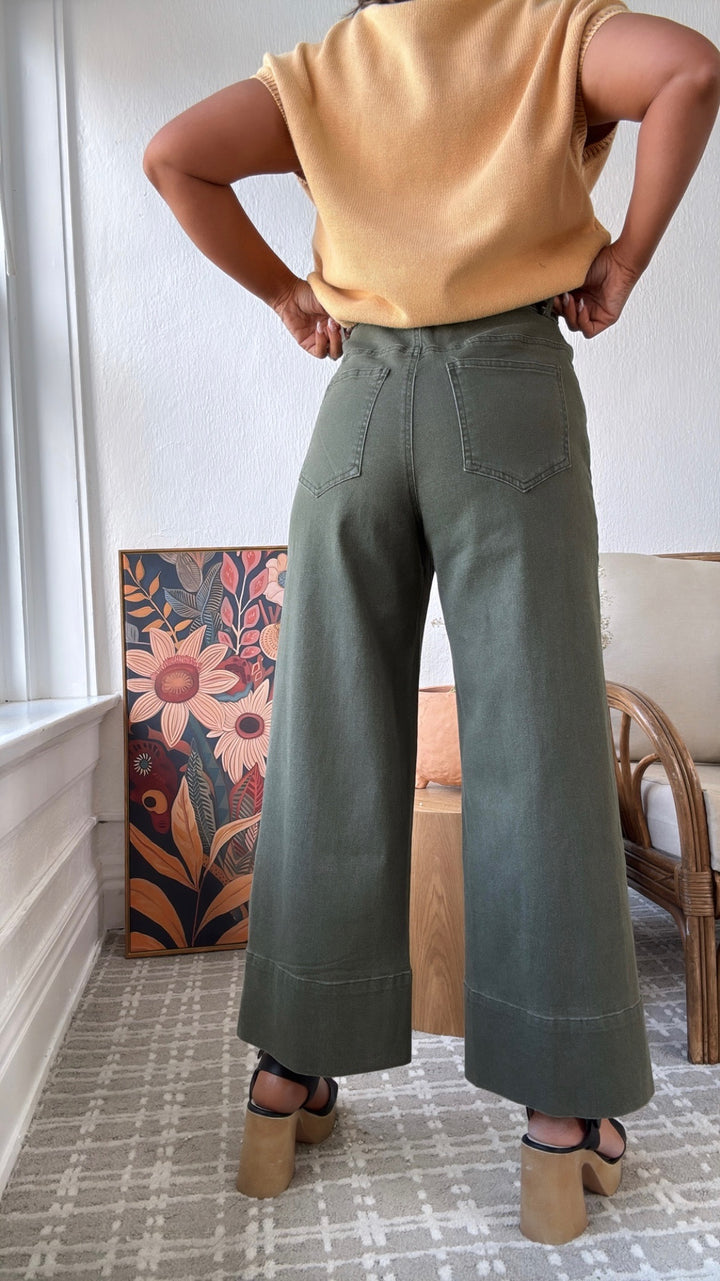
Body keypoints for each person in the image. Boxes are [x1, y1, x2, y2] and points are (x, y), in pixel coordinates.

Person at [143, 0, 720, 1245]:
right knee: (540, 739)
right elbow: (688, 68)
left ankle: (285, 1081)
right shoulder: (555, 33)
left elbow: (173, 155)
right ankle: (561, 1122)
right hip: (509, 395)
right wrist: (625, 258)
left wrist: (288, 293)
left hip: (359, 410)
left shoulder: (328, 66)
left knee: (330, 735)